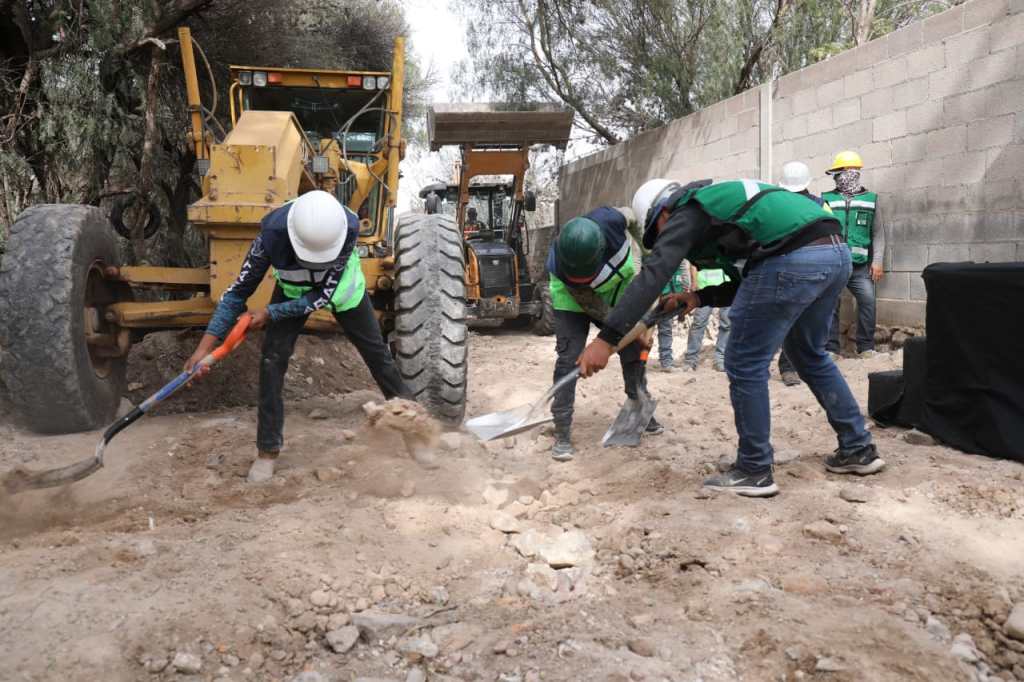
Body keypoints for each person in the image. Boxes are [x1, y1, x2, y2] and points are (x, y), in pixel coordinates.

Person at [577, 178, 885, 497]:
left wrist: (605, 340)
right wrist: (698, 297)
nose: (665, 239)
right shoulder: (728, 212)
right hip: (835, 254)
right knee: (809, 354)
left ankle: (754, 469)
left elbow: (653, 275)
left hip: (793, 257)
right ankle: (858, 448)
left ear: (663, 213)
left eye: (659, 233)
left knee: (744, 362)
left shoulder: (689, 209)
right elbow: (751, 281)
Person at [185, 190, 414, 483]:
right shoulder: (271, 236)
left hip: (345, 295)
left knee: (378, 357)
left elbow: (321, 297)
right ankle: (267, 451)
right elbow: (237, 294)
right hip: (291, 292)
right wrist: (203, 349)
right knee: (271, 360)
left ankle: (415, 432)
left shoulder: (348, 229)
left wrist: (269, 314)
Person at [546, 207, 663, 461]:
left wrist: (649, 253)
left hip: (617, 290)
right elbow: (602, 317)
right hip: (573, 302)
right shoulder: (559, 261)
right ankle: (562, 429)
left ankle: (639, 404)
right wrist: (614, 337)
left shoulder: (612, 220)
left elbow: (633, 217)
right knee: (569, 359)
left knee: (634, 350)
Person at [823, 150, 886, 358]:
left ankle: (866, 348)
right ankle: (832, 349)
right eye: (836, 174)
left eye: (840, 172)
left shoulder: (871, 199)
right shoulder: (827, 199)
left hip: (860, 265)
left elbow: (878, 233)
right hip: (834, 263)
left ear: (853, 172)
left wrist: (877, 261)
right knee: (831, 304)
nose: (838, 177)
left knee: (868, 301)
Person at [776, 160, 830, 386]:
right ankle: (788, 367)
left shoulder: (820, 205)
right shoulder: (781, 203)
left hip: (807, 267)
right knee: (793, 318)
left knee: (806, 319)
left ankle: (801, 365)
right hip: (801, 268)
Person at [681, 266, 731, 372]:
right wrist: (694, 282)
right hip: (704, 288)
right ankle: (691, 360)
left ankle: (720, 359)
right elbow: (693, 264)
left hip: (727, 287)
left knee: (727, 324)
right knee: (698, 324)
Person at [653, 261, 691, 372]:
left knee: (665, 328)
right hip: (654, 294)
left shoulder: (678, 251)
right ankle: (641, 361)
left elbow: (684, 270)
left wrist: (684, 290)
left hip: (669, 295)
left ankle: (666, 362)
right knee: (647, 331)